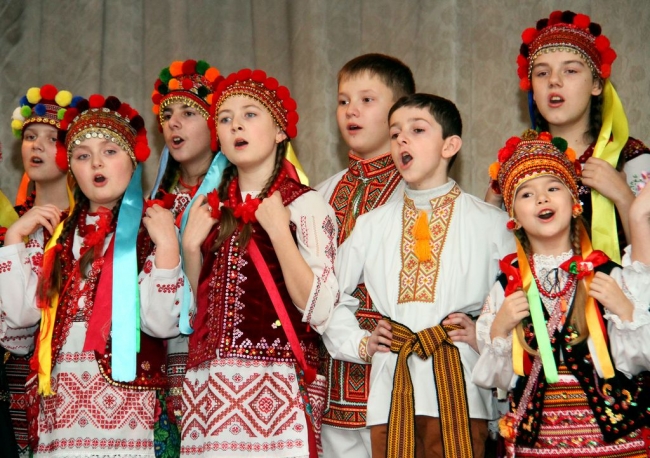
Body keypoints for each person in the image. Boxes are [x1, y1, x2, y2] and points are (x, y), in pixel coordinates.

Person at [330, 93, 515, 458]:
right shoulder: (371, 225)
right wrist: (360, 342)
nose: (402, 139)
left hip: (461, 384)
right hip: (392, 387)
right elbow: (330, 295)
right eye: (394, 132)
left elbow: (516, 298)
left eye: (417, 130)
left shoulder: (491, 223)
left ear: (450, 145)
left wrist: (482, 335)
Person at [0, 94, 184, 457]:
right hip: (62, 417)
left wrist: (167, 246)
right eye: (83, 156)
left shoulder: (153, 226)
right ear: (71, 168)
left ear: (133, 160)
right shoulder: (57, 236)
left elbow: (162, 322)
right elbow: (19, 322)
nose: (96, 163)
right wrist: (14, 240)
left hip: (131, 416)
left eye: (109, 152)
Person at [180, 68, 338, 457]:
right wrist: (189, 249)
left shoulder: (305, 204)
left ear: (280, 131)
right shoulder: (209, 210)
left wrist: (280, 233)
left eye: (250, 114)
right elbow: (196, 311)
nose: (236, 125)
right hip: (211, 388)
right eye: (225, 118)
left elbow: (320, 308)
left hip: (274, 388)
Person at [474, 129, 650, 457]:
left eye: (553, 188)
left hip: (614, 443)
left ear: (574, 203)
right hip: (539, 444)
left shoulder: (607, 273)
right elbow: (496, 379)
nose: (542, 199)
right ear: (513, 217)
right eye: (527, 194)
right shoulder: (508, 284)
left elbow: (640, 359)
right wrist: (499, 328)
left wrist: (625, 310)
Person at [485, 10, 650, 264]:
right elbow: (495, 259)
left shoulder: (631, 157)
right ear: (532, 89)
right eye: (542, 73)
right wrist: (492, 202)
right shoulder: (519, 161)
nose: (554, 81)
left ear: (596, 84)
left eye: (570, 71)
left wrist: (623, 197)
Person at [316, 53, 414, 458]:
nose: (351, 110)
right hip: (329, 384)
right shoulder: (321, 194)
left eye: (367, 100)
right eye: (343, 101)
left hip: (396, 375)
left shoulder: (415, 190)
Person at [149, 58, 224, 458]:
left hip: (220, 359)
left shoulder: (237, 198)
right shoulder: (151, 205)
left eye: (188, 113)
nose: (173, 123)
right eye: (167, 115)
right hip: (163, 364)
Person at [0, 84, 80, 458]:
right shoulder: (8, 228)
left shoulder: (92, 227)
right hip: (13, 387)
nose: (37, 146)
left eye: (52, 138)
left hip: (72, 388)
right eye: (31, 136)